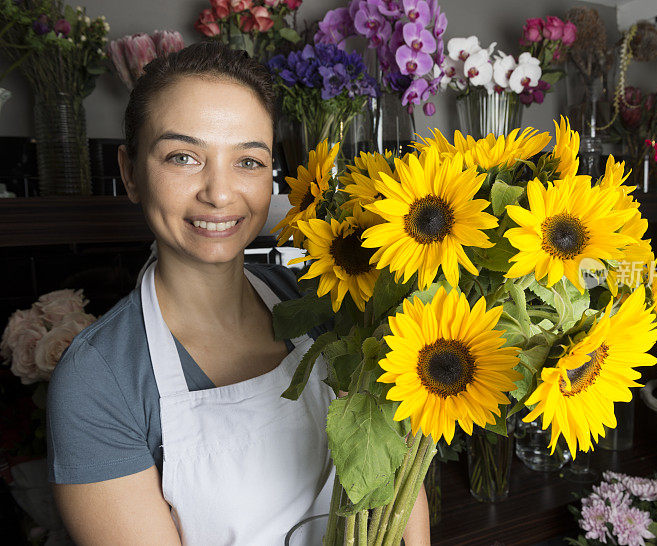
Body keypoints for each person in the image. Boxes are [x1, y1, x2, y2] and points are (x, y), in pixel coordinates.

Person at [46, 42, 429, 545]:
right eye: (183, 157)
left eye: (248, 161)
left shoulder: (317, 302)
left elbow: (397, 482)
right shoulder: (100, 379)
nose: (220, 193)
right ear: (130, 172)